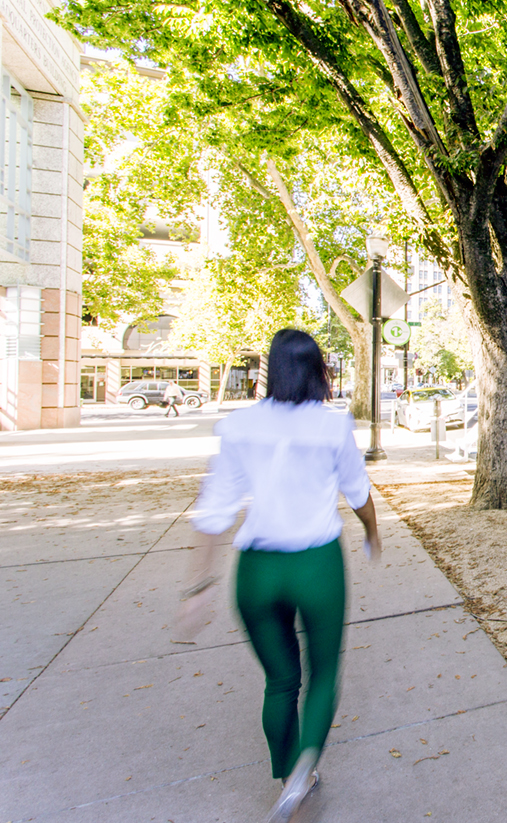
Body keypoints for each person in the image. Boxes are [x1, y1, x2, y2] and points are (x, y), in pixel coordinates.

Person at [176, 328, 380, 823]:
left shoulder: (239, 426)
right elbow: (358, 493)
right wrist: (373, 533)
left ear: (273, 368)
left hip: (257, 571)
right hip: (316, 564)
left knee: (280, 680)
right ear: (318, 370)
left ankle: (286, 775)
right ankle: (305, 769)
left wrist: (197, 588)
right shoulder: (332, 425)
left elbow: (214, 510)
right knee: (323, 673)